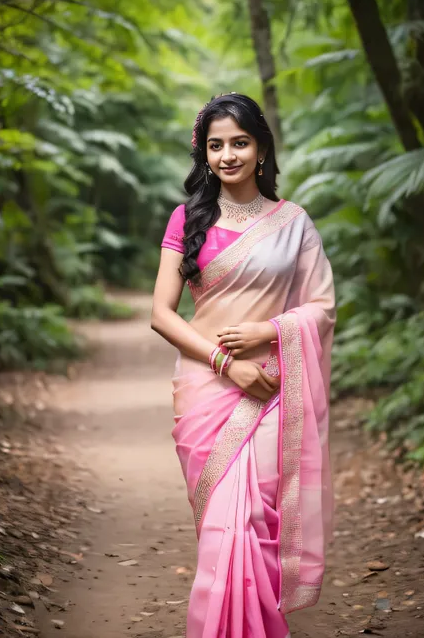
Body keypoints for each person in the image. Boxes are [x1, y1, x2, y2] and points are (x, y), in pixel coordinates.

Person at [150, 93, 336, 638]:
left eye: (239, 142)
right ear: (203, 153)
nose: (227, 154)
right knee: (222, 526)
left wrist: (269, 331)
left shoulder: (293, 222)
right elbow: (162, 313)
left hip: (274, 385)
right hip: (208, 387)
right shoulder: (187, 218)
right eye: (216, 145)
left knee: (258, 518)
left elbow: (321, 307)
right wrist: (226, 364)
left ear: (260, 149)